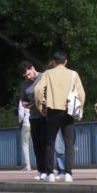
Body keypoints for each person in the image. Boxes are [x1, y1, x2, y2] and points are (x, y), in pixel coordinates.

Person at [34, 51, 85, 183]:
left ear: (54, 62)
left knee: (50, 142)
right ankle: (68, 173)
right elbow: (81, 94)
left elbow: (38, 90)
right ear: (66, 61)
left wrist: (41, 105)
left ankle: (50, 173)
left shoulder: (48, 73)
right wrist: (79, 109)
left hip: (53, 110)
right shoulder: (74, 74)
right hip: (68, 111)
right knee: (69, 144)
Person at [19, 61, 43, 177]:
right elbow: (23, 100)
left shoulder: (44, 77)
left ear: (33, 68)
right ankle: (40, 170)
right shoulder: (25, 84)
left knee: (47, 144)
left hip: (46, 115)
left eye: (29, 74)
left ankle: (48, 170)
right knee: (37, 144)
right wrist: (25, 104)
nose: (28, 77)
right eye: (26, 76)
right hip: (33, 116)